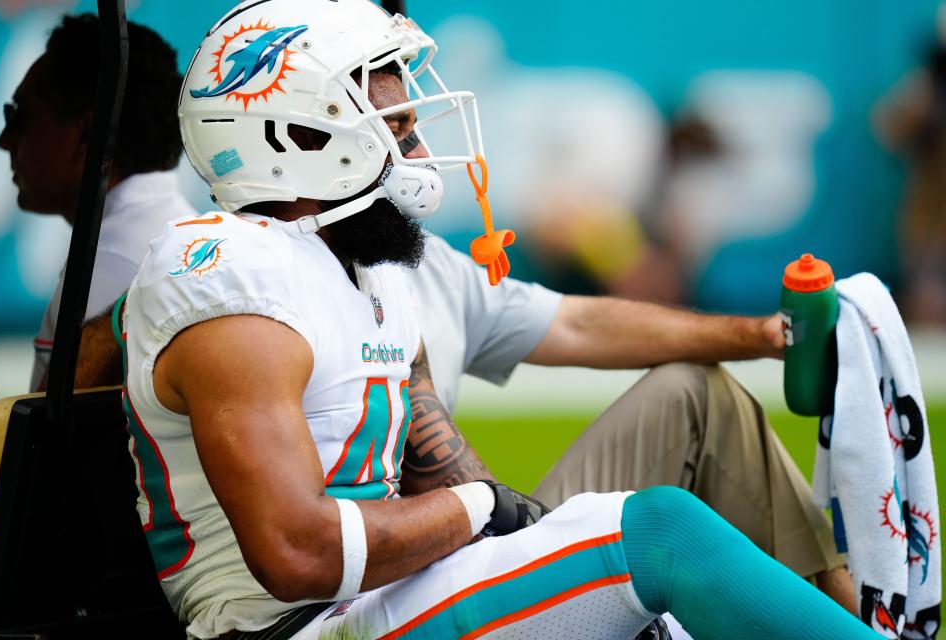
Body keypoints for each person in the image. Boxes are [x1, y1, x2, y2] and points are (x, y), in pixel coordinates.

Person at [120, 2, 880, 638]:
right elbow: (298, 554)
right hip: (295, 625)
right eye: (397, 125)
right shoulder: (230, 277)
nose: (419, 147)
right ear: (300, 140)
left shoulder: (358, 265)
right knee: (657, 534)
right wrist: (479, 506)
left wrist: (760, 336)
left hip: (379, 594)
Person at [0, 13, 196, 392]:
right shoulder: (156, 232)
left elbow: (54, 448)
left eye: (17, 116)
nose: (3, 141)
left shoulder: (110, 263)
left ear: (86, 134)